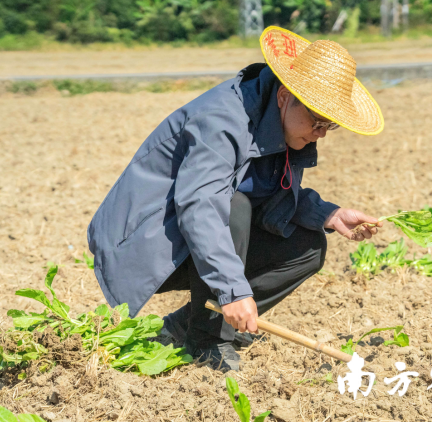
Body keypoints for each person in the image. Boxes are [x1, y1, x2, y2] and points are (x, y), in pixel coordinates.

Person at [87, 26, 385, 371]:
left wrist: (329, 214)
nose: (320, 134)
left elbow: (269, 193)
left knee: (309, 246)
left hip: (199, 235)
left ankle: (186, 326)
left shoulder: (284, 126)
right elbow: (202, 206)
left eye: (329, 125)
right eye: (316, 121)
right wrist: (232, 290)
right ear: (285, 95)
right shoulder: (223, 119)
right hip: (145, 245)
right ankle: (206, 340)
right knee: (232, 207)